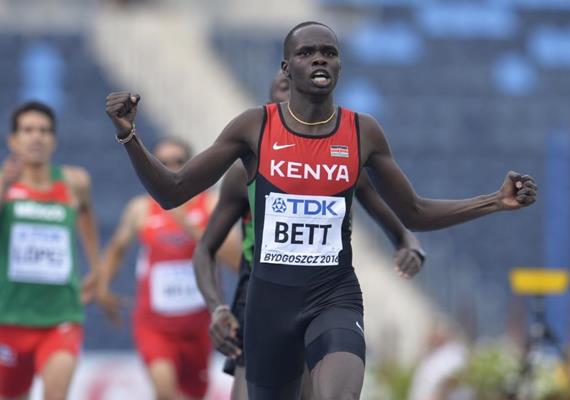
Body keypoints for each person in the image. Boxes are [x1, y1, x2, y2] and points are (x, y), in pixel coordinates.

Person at [104, 21, 537, 400]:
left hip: (334, 294)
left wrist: (495, 201)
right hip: (268, 299)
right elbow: (172, 190)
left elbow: (415, 212)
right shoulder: (253, 128)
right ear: (285, 68)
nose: (319, 60)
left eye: (329, 52)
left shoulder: (362, 131)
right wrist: (130, 137)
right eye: (306, 52)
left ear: (340, 66)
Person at [194, 72, 424, 400]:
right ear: (270, 105)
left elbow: (403, 223)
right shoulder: (242, 172)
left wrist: (410, 245)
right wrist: (217, 307)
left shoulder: (341, 162)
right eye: (284, 91)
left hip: (321, 297)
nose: (296, 98)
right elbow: (205, 248)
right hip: (261, 299)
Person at [95, 137, 240, 400]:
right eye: (163, 163)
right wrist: (103, 286)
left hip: (199, 327)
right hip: (155, 327)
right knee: (164, 391)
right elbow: (117, 248)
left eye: (178, 162)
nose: (171, 168)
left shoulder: (210, 205)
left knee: (194, 394)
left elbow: (236, 261)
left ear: (192, 165)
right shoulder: (141, 208)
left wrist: (190, 226)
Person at [0, 101, 100, 400]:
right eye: (28, 130)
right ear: (13, 140)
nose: (36, 137)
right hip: (10, 318)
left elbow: (86, 218)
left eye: (44, 131)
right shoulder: (5, 186)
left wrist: (98, 269)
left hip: (61, 316)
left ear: (53, 140)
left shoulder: (74, 182)